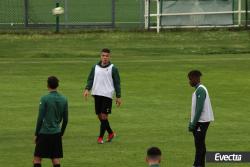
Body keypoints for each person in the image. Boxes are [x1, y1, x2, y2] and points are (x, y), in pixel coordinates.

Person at [83, 48, 121, 144]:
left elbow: (117, 83)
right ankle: (111, 133)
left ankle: (100, 137)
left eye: (107, 56)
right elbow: (91, 79)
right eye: (103, 55)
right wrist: (87, 89)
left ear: (109, 57)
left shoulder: (113, 68)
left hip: (107, 95)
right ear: (100, 56)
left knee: (104, 116)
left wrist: (118, 96)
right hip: (97, 93)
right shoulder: (95, 67)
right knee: (99, 116)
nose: (105, 57)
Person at [33, 76, 68, 167]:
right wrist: (61, 133)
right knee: (55, 158)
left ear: (47, 85)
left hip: (44, 132)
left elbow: (40, 118)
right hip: (56, 132)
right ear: (57, 85)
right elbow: (66, 119)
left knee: (37, 158)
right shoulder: (64, 99)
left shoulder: (44, 98)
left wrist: (36, 133)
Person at [188, 70, 214, 167]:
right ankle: (201, 165)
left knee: (199, 145)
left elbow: (199, 109)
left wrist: (193, 124)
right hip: (201, 121)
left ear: (195, 79)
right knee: (201, 144)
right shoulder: (199, 89)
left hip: (201, 122)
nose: (189, 82)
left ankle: (197, 164)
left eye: (190, 79)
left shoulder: (201, 90)